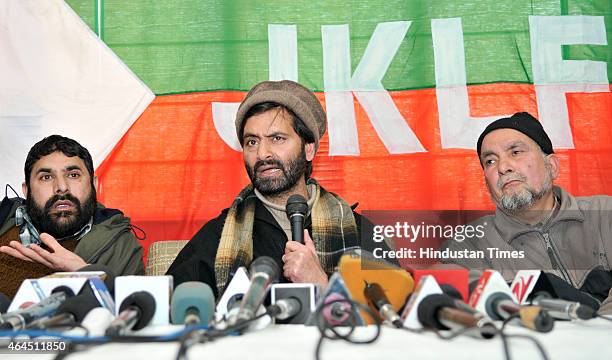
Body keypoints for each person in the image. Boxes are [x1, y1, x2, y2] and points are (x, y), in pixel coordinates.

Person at [167, 80, 390, 299]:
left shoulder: (358, 230)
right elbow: (169, 307)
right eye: (252, 142)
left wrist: (321, 284)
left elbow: (395, 316)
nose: (263, 154)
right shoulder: (219, 235)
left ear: (309, 149)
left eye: (277, 139)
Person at [443, 112, 612, 313]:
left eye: (515, 152)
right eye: (490, 161)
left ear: (552, 166)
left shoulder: (604, 215)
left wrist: (592, 327)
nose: (503, 167)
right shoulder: (470, 243)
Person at [0, 135, 144, 298]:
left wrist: (86, 273)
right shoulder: (3, 223)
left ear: (94, 184)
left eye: (73, 175)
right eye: (46, 177)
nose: (61, 187)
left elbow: (135, 312)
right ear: (27, 191)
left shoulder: (121, 246)